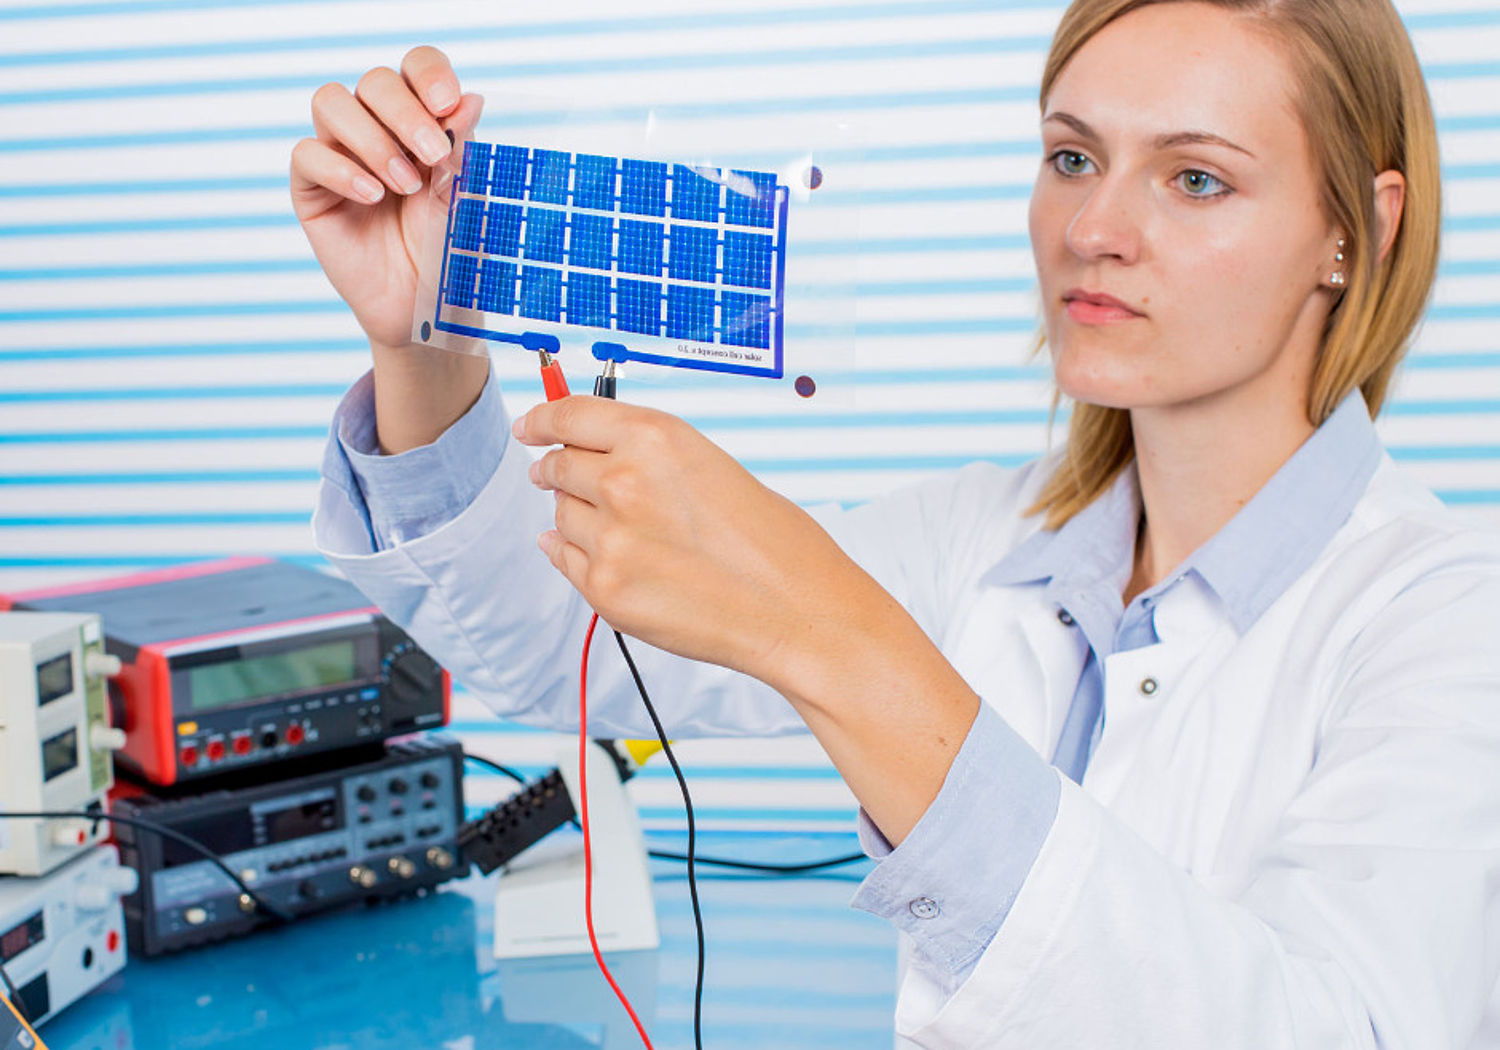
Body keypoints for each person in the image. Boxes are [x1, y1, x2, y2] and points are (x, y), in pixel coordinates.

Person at [298, 0, 1500, 1045]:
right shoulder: (983, 537)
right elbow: (560, 646)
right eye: (1073, 157)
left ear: (1359, 228)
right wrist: (422, 340)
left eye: (1196, 178)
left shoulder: (1449, 623)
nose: (1093, 228)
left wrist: (835, 639)